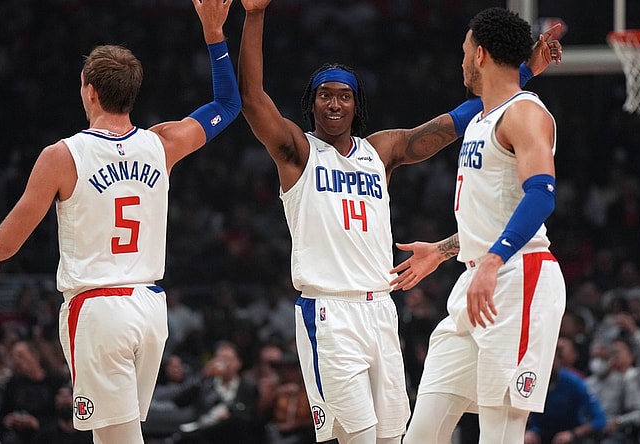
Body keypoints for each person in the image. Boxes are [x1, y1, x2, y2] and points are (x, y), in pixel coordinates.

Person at [237, 1, 562, 442]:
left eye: (344, 95)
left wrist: (520, 75)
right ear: (310, 104)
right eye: (324, 95)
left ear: (357, 104)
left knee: (399, 438)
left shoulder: (382, 151)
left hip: (384, 310)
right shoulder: (299, 151)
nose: (334, 104)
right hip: (331, 311)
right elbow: (253, 99)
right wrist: (254, 16)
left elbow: (459, 120)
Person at [0, 0, 241, 442]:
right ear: (132, 92)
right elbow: (228, 103)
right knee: (121, 435)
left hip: (98, 309)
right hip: (150, 308)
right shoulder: (162, 143)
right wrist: (214, 33)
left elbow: (11, 240)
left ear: (89, 90)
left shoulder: (62, 155)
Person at [391, 7, 565, 444]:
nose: (461, 61)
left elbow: (541, 193)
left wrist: (492, 259)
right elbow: (493, 215)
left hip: (518, 276)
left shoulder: (526, 114)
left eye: (465, 51)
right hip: (475, 281)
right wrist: (447, 249)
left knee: (499, 435)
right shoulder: (483, 116)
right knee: (422, 434)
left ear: (481, 54)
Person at [524, 346, 608, 444]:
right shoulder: (529, 381)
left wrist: (573, 433)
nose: (548, 365)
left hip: (569, 434)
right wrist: (527, 431)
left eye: (551, 360)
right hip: (538, 433)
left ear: (560, 361)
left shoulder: (574, 383)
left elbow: (600, 419)